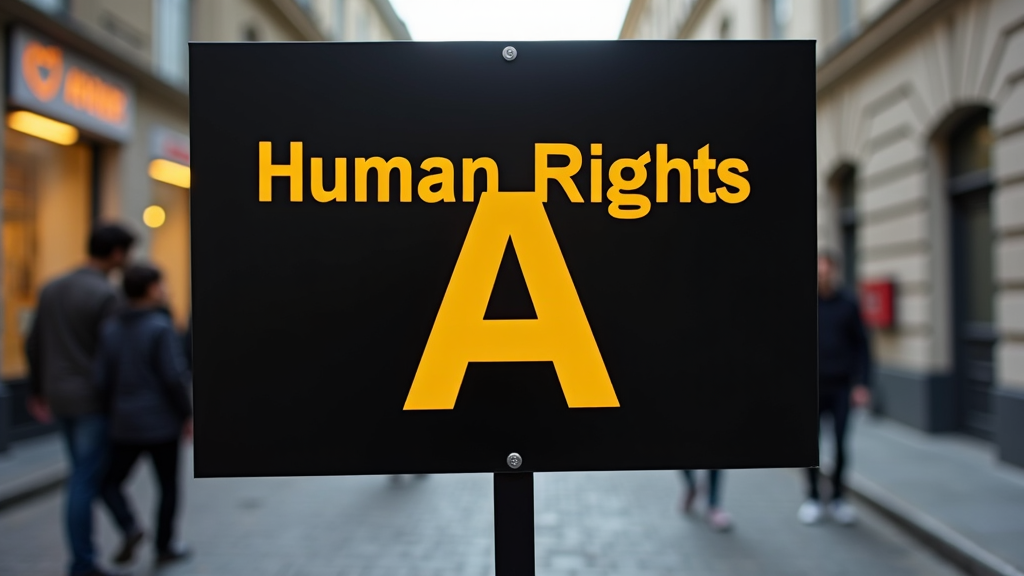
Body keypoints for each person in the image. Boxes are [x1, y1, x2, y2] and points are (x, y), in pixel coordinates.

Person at [26, 224, 135, 576]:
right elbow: (115, 354)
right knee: (85, 479)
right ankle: (83, 561)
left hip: (59, 395)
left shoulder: (52, 288)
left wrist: (37, 389)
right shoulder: (105, 295)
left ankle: (127, 528)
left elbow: (34, 342)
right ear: (117, 253)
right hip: (92, 398)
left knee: (86, 472)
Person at [97, 264, 193, 566]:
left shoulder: (111, 328)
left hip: (124, 421)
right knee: (167, 487)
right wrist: (187, 414)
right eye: (162, 285)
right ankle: (164, 546)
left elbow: (102, 379)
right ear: (151, 289)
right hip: (161, 422)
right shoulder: (159, 327)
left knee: (108, 482)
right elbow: (172, 376)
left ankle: (130, 525)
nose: (165, 290)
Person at [799, 252, 872, 526]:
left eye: (826, 271)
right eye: (818, 271)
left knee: (841, 445)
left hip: (841, 387)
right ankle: (813, 498)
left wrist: (862, 383)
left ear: (834, 272)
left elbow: (862, 346)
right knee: (809, 448)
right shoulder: (804, 302)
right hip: (811, 388)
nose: (822, 276)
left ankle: (839, 498)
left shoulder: (848, 304)